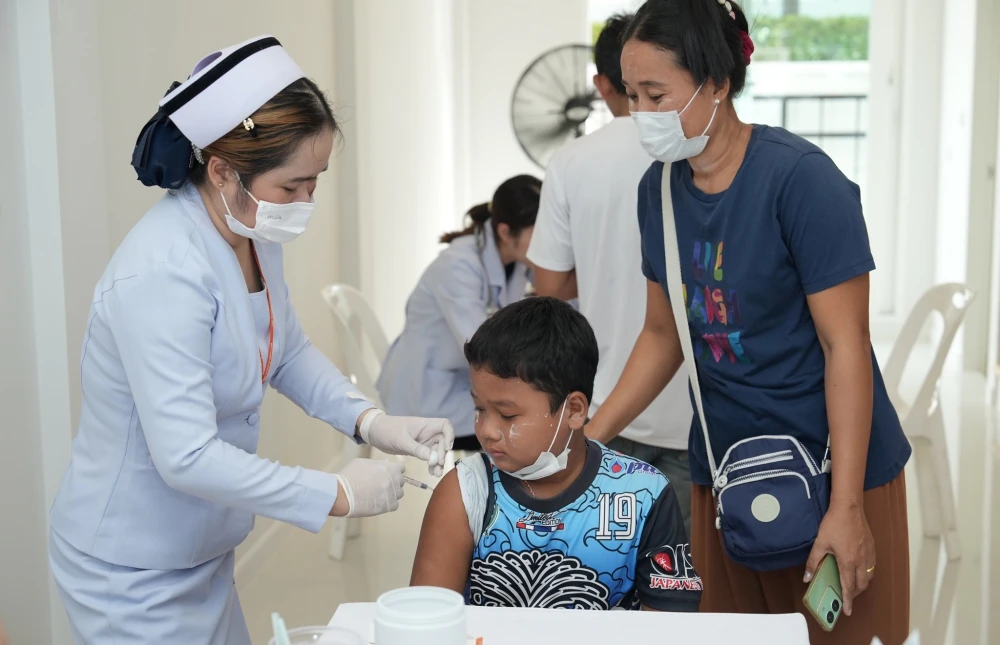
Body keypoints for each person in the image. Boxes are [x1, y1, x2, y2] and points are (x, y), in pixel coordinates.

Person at [47, 36, 454, 644]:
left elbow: (284, 351)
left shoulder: (251, 234)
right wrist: (335, 493)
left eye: (314, 182)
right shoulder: (164, 273)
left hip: (202, 547)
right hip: (130, 568)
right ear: (221, 170)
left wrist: (369, 422)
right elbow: (186, 456)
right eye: (291, 187)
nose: (305, 202)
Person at [586, 2, 912, 643]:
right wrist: (590, 439)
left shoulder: (801, 181)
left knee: (835, 634)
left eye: (658, 94)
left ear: (716, 82)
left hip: (834, 472)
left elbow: (845, 343)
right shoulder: (658, 191)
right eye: (630, 95)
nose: (641, 114)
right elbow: (663, 334)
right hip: (728, 469)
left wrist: (847, 508)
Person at [410, 297, 701, 611]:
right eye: (480, 409)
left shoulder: (644, 495)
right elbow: (428, 621)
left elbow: (670, 625)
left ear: (574, 410)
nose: (487, 430)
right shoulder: (465, 492)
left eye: (508, 415)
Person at [527, 13, 693, 532]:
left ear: (602, 86)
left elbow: (548, 290)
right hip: (693, 411)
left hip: (603, 405)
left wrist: (597, 271)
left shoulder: (572, 161)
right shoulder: (702, 156)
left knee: (611, 577)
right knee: (687, 584)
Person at [377, 175, 540, 452]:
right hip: (430, 394)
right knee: (527, 423)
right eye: (541, 231)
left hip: (463, 380)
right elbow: (482, 345)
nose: (549, 242)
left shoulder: (517, 262)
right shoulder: (458, 266)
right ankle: (492, 494)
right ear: (504, 232)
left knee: (532, 411)